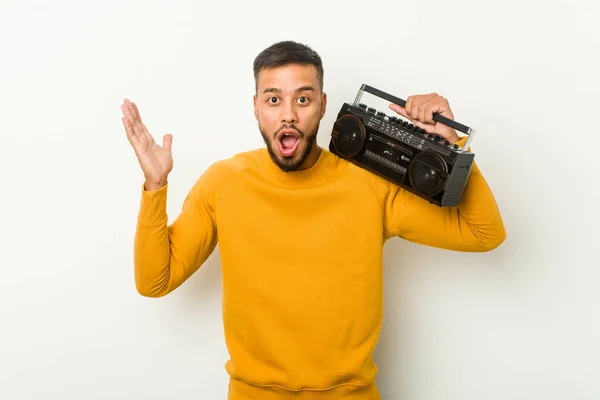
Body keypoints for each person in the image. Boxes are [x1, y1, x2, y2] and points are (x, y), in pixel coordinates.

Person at [121, 40, 506, 400]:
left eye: (302, 99)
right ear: (256, 106)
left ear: (322, 105)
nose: (288, 114)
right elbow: (156, 281)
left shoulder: (367, 184)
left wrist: (450, 146)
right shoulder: (224, 183)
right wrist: (155, 186)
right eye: (274, 99)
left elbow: (482, 232)